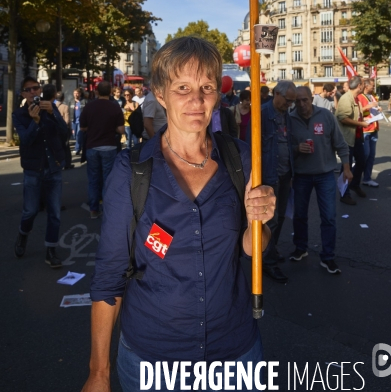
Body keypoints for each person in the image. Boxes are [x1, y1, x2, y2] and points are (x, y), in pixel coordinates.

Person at [81, 37, 276, 392]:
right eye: (182, 87)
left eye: (206, 87)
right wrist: (99, 373)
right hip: (152, 362)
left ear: (219, 93)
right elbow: (109, 274)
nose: (197, 101)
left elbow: (254, 248)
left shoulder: (242, 159)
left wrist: (258, 219)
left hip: (234, 355)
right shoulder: (132, 169)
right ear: (160, 93)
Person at [289, 87, 353, 274]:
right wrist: (296, 148)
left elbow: (341, 145)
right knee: (299, 215)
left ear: (311, 98)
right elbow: (284, 147)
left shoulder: (326, 116)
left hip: (325, 174)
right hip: (301, 175)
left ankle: (328, 257)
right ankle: (301, 248)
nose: (301, 104)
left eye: (305, 100)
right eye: (298, 101)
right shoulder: (290, 119)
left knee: (329, 217)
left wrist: (347, 169)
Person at [13, 78, 68, 267]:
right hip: (32, 169)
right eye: (28, 90)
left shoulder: (49, 109)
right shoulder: (19, 114)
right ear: (23, 94)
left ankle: (51, 251)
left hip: (53, 166)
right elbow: (26, 140)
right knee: (30, 211)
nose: (32, 92)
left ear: (40, 90)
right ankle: (23, 234)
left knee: (54, 212)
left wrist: (53, 113)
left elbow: (64, 133)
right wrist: (35, 122)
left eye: (35, 89)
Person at [249, 80, 296, 284]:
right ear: (277, 94)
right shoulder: (261, 114)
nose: (290, 105)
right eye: (288, 100)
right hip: (269, 175)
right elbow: (252, 147)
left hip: (285, 174)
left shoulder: (287, 115)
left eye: (292, 102)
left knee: (281, 217)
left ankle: (271, 251)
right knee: (271, 220)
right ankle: (267, 261)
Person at [79, 81, 125, 219]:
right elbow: (121, 129)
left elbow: (82, 127)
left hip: (92, 146)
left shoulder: (89, 106)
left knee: (93, 178)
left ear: (97, 92)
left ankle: (93, 209)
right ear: (111, 92)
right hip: (109, 146)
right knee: (108, 179)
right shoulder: (114, 106)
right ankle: (107, 208)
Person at [335, 76, 369, 205]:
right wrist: (360, 124)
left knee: (361, 161)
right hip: (347, 138)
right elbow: (343, 117)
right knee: (346, 167)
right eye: (363, 84)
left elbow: (357, 114)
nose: (364, 86)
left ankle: (354, 184)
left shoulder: (356, 98)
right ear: (359, 86)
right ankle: (344, 194)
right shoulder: (346, 98)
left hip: (357, 137)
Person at [358, 79, 381, 187]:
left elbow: (373, 109)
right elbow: (357, 111)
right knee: (365, 155)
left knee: (371, 156)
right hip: (365, 129)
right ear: (366, 86)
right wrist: (368, 106)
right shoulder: (359, 97)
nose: (373, 87)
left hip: (374, 128)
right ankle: (354, 174)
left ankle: (367, 178)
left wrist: (378, 109)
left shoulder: (372, 96)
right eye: (372, 85)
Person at [55, 91, 74, 169]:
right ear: (63, 98)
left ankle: (58, 163)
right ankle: (67, 163)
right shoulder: (65, 107)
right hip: (63, 130)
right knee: (66, 147)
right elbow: (67, 120)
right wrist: (68, 128)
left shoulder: (52, 106)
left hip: (55, 130)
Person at [70, 88, 87, 154]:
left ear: (80, 94)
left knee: (78, 134)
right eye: (74, 93)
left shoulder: (83, 101)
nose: (76, 95)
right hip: (73, 121)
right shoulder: (71, 101)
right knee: (74, 135)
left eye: (77, 93)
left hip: (80, 121)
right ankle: (81, 146)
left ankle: (77, 148)